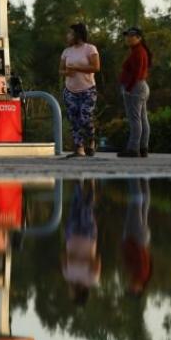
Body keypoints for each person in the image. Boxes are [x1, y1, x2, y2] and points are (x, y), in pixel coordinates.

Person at [59, 23, 101, 158]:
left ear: (78, 35)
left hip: (87, 90)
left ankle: (91, 141)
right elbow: (60, 70)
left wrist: (77, 68)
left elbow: (96, 67)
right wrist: (67, 72)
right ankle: (79, 148)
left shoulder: (90, 49)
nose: (68, 36)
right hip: (70, 90)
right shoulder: (67, 51)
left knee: (85, 117)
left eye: (70, 33)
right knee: (74, 120)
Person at [61, 179, 101, 306]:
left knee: (75, 208)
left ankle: (78, 184)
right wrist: (78, 261)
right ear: (79, 294)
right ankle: (91, 186)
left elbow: (63, 256)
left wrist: (77, 261)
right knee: (86, 209)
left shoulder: (68, 277)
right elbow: (98, 260)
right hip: (88, 237)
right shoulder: (92, 280)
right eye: (72, 295)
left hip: (71, 237)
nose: (70, 292)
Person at [118, 27, 152, 158]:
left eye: (132, 35)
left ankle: (133, 149)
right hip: (140, 86)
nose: (128, 38)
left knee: (135, 119)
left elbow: (137, 73)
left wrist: (128, 88)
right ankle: (143, 148)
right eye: (127, 35)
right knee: (142, 118)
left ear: (139, 38)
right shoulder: (137, 51)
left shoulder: (138, 52)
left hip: (135, 87)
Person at [122, 178, 152, 296]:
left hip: (143, 239)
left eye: (129, 288)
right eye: (133, 290)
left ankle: (145, 178)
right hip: (135, 238)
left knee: (144, 206)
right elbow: (138, 254)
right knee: (136, 204)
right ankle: (133, 176)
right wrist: (126, 243)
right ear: (140, 289)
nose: (130, 286)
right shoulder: (140, 275)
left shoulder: (143, 276)